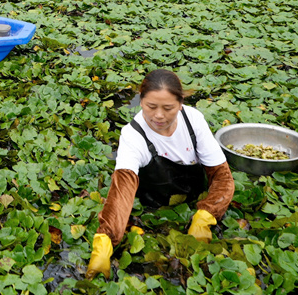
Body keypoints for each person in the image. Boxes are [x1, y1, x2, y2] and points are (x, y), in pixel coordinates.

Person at [86, 69, 235, 279]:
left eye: (168, 108)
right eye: (151, 106)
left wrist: (207, 214)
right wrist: (106, 238)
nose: (158, 116)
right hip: (152, 205)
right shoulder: (133, 135)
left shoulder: (193, 121)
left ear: (180, 103)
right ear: (141, 102)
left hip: (195, 200)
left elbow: (222, 177)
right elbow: (123, 191)